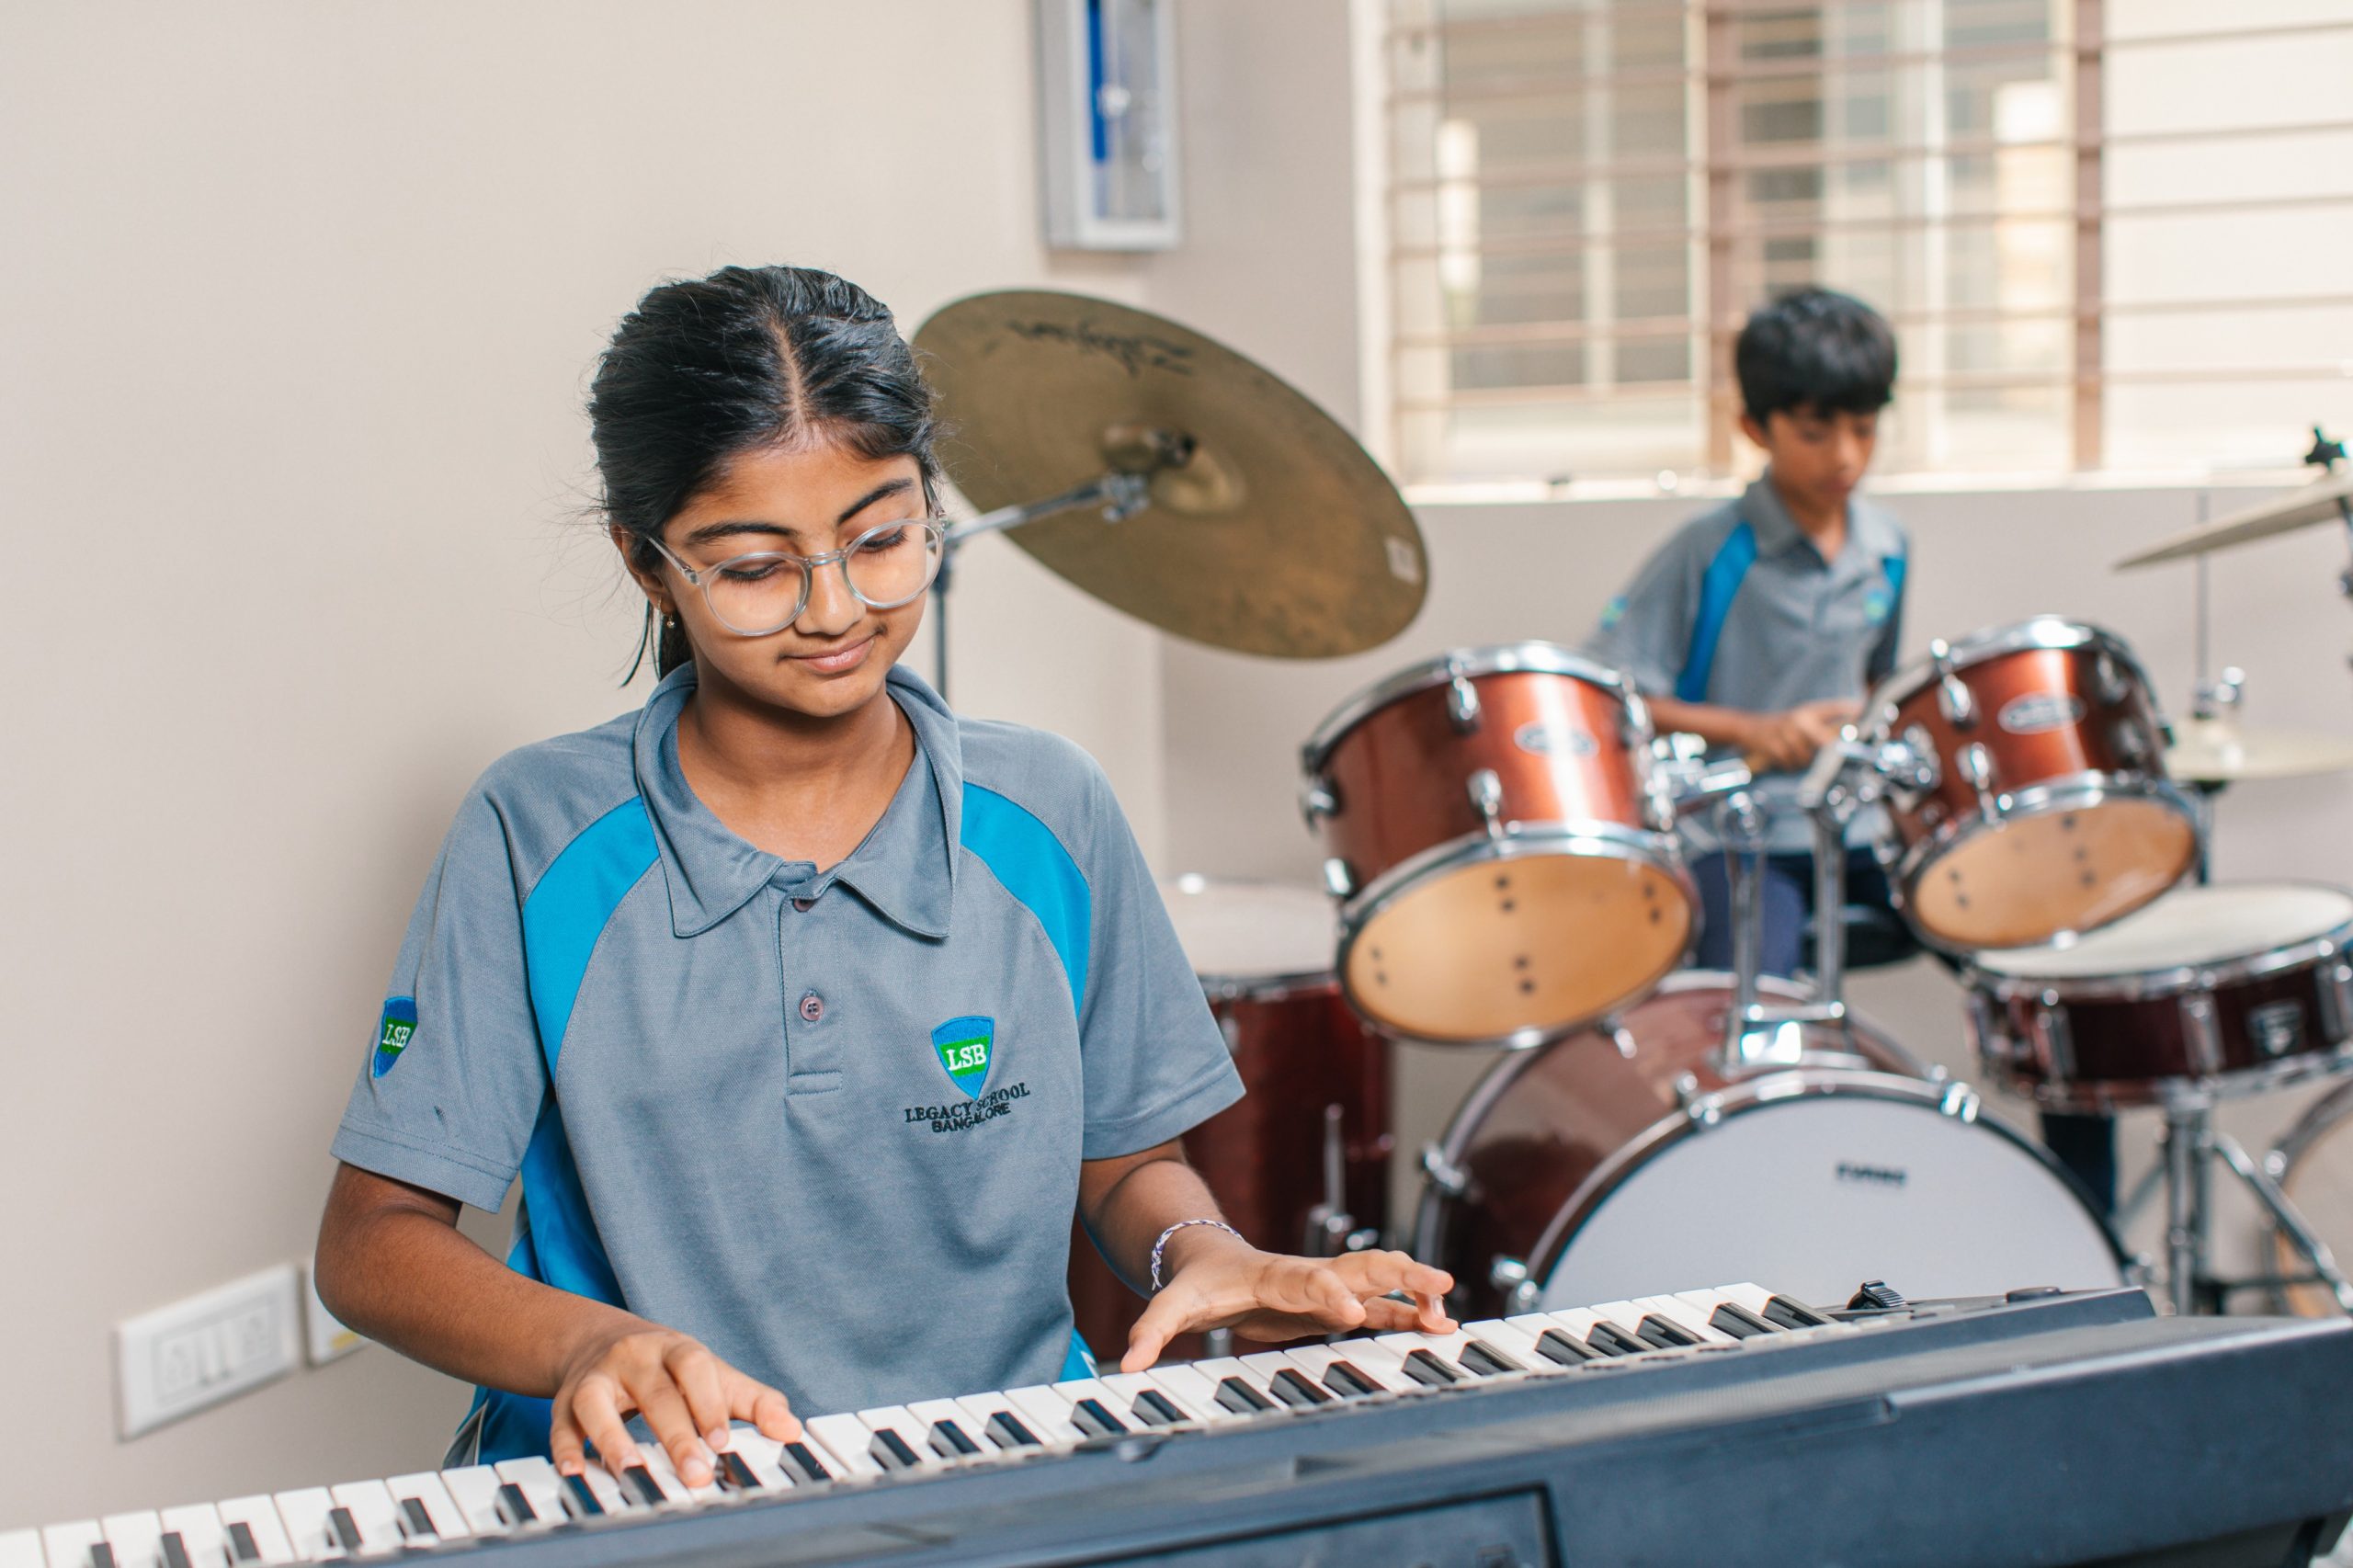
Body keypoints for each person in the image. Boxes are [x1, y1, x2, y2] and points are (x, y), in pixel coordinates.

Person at [313, 264, 1454, 1491]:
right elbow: (373, 1243)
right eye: (754, 567)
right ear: (647, 563)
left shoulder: (1050, 814)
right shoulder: (534, 833)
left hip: (1005, 1477)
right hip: (659, 1496)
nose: (834, 608)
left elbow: (1124, 1164)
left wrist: (1200, 1249)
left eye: (881, 538)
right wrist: (595, 1340)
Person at [1583, 286, 2115, 1211]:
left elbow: (1875, 686)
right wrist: (1748, 731)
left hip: (1866, 831)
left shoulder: (1886, 546)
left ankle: (2089, 1218)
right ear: (1754, 424)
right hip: (1749, 837)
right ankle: (1764, 1224)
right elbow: (1607, 691)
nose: (1845, 457)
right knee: (1759, 1035)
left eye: (1865, 430)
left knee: (2047, 974)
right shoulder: (1709, 552)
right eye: (1816, 430)